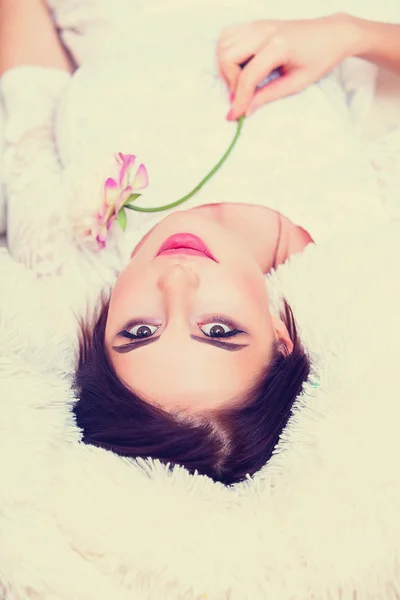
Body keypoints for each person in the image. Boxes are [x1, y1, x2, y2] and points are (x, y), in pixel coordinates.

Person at [1, 0, 399, 484]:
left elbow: (30, 79)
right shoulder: (356, 223)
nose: (175, 280)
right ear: (280, 338)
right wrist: (349, 33)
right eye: (217, 330)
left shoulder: (62, 251)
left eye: (139, 331)